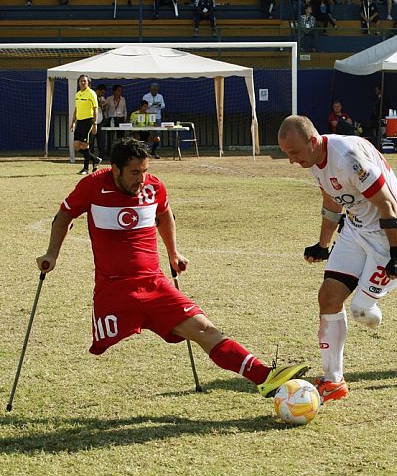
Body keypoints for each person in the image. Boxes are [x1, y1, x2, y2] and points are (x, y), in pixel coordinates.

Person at [35, 137, 309, 399]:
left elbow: (164, 214)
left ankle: (264, 377)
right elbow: (64, 217)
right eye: (133, 172)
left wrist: (173, 253)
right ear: (115, 169)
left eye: (144, 171)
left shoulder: (154, 187)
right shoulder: (93, 185)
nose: (141, 180)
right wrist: (52, 254)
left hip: (155, 285)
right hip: (115, 289)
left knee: (204, 329)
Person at [277, 115, 397, 402]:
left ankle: (371, 302)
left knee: (362, 312)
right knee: (328, 297)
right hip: (355, 228)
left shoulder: (348, 157)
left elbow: (388, 205)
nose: (292, 161)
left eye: (294, 153)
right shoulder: (313, 159)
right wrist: (322, 245)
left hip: (390, 230)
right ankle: (334, 381)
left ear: (313, 141)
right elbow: (331, 200)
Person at [71, 75, 101, 176]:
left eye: (84, 81)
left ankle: (85, 168)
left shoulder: (91, 93)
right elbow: (76, 109)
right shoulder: (78, 94)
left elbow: (95, 109)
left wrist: (95, 124)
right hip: (79, 122)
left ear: (88, 82)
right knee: (76, 145)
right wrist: (73, 122)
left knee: (84, 146)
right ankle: (95, 159)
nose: (82, 83)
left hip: (88, 121)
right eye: (81, 81)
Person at [142, 83, 165, 158]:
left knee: (157, 133)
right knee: (148, 133)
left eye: (156, 90)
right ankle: (147, 150)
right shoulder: (146, 96)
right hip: (148, 116)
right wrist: (151, 104)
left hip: (157, 116)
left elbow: (164, 105)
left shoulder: (160, 96)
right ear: (150, 89)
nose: (154, 91)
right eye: (153, 89)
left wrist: (159, 105)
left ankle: (154, 151)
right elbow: (143, 106)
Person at [104, 84, 128, 156]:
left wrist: (125, 118)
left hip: (120, 118)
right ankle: (109, 153)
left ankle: (120, 153)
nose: (120, 92)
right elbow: (105, 109)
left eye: (121, 90)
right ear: (114, 91)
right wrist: (106, 117)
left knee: (120, 137)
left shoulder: (123, 99)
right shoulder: (109, 99)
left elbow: (125, 109)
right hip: (111, 118)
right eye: (118, 90)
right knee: (110, 137)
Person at [91, 84, 108, 162]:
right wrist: (99, 104)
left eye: (104, 93)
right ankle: (90, 155)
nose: (102, 94)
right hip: (92, 121)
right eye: (101, 92)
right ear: (97, 90)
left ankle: (102, 155)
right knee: (91, 139)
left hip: (100, 120)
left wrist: (103, 106)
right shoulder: (92, 96)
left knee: (102, 139)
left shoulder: (102, 98)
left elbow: (103, 109)